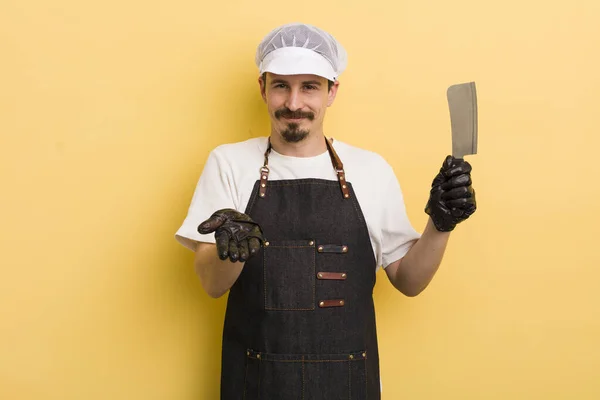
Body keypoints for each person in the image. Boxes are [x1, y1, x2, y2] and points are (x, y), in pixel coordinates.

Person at [175, 22, 476, 400]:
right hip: (256, 383)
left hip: (347, 384)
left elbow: (409, 281)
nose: (294, 103)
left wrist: (441, 224)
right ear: (262, 88)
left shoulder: (370, 169)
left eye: (310, 87)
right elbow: (212, 284)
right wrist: (229, 249)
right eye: (281, 84)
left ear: (332, 91)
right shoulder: (229, 164)